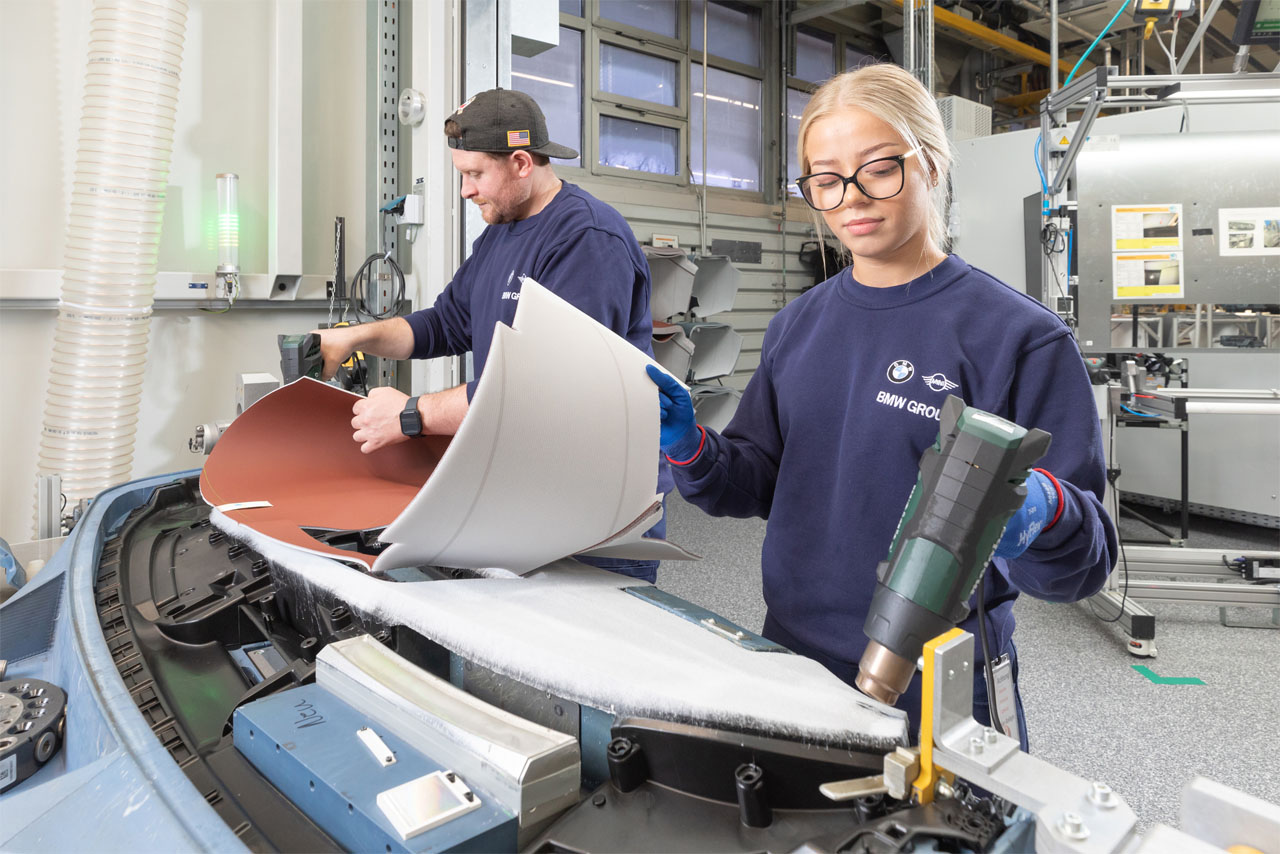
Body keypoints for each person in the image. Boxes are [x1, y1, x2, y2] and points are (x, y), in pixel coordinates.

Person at [646, 64, 1116, 746]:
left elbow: (1084, 563)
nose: (851, 199)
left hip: (945, 678)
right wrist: (691, 447)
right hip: (792, 656)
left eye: (878, 169)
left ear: (929, 164)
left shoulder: (1018, 338)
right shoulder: (797, 325)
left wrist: (1045, 512)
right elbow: (755, 482)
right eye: (826, 179)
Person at [316, 88, 671, 581]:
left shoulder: (586, 239)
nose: (465, 191)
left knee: (586, 650)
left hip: (596, 506)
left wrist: (410, 414)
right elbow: (442, 325)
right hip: (526, 490)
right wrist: (355, 337)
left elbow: (545, 390)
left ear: (522, 163)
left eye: (474, 174)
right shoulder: (500, 233)